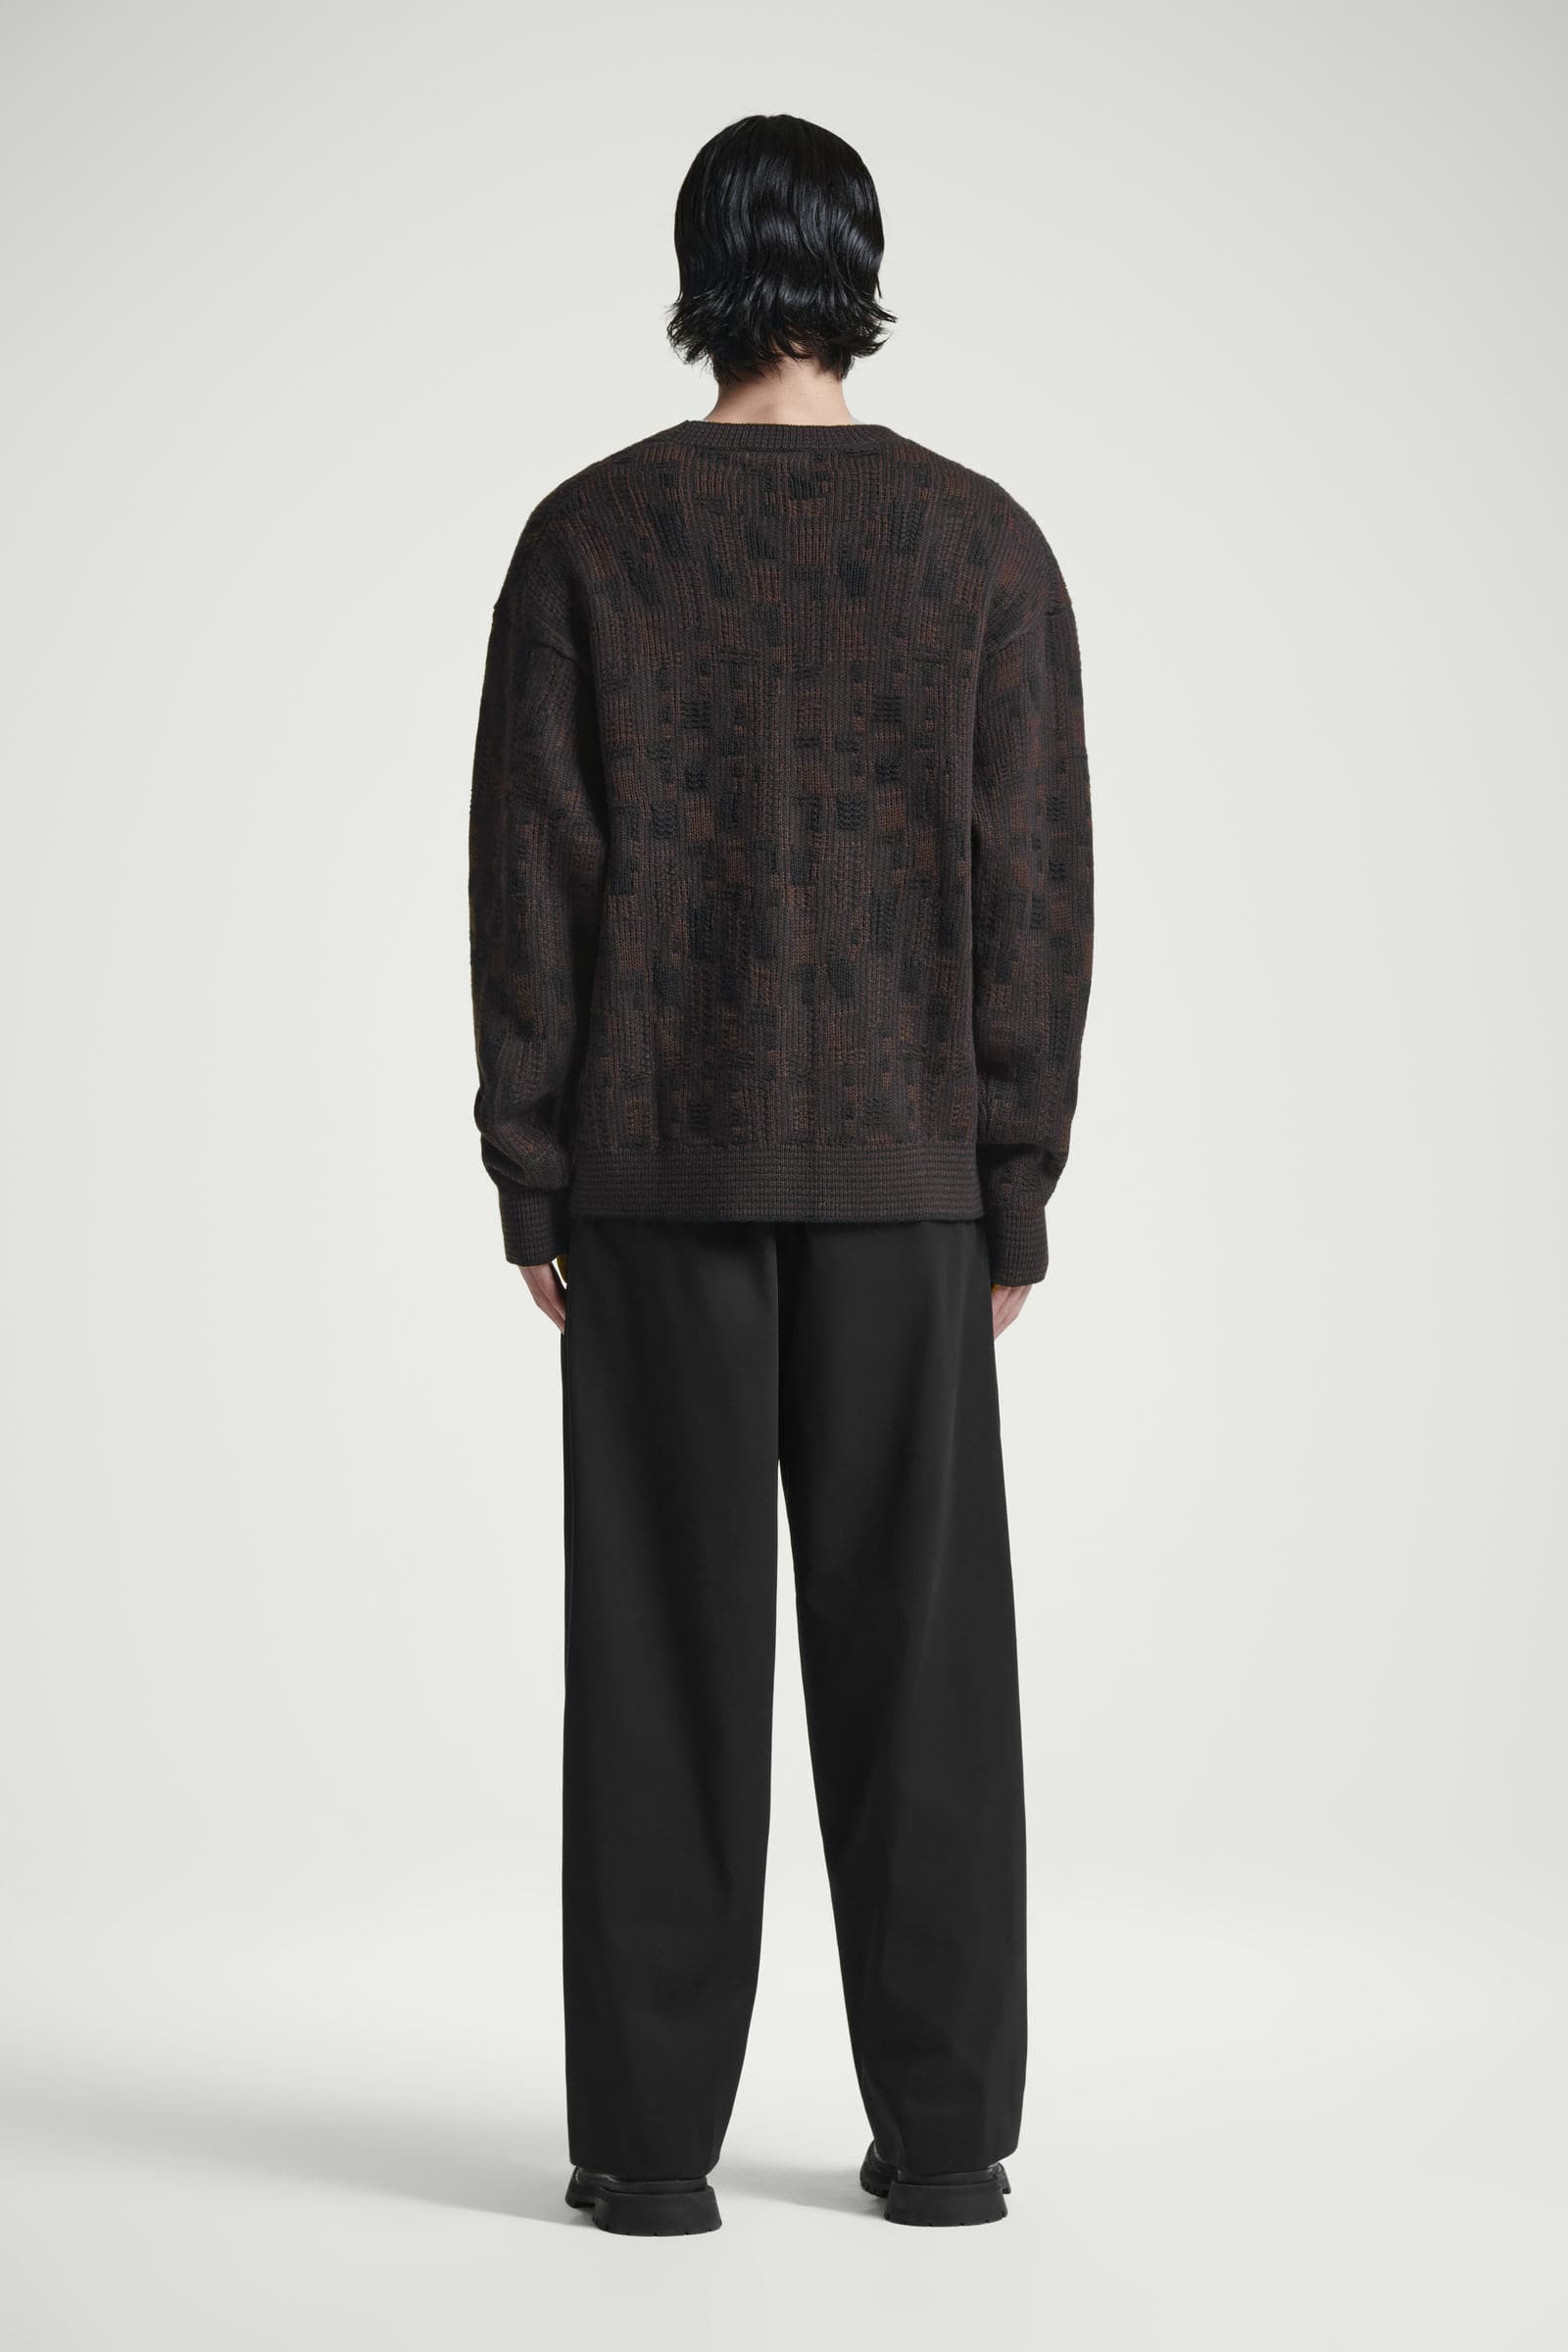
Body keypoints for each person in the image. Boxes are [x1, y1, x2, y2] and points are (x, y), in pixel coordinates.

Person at [467, 113, 1094, 2236]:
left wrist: (533, 1168)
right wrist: (1010, 1181)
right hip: (910, 1187)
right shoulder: (980, 547)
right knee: (925, 1668)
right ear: (859, 268)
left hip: (651, 1182)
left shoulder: (589, 539)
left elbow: (529, 877)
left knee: (660, 1667)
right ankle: (949, 2148)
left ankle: (648, 2160)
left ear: (699, 275)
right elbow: (1035, 887)